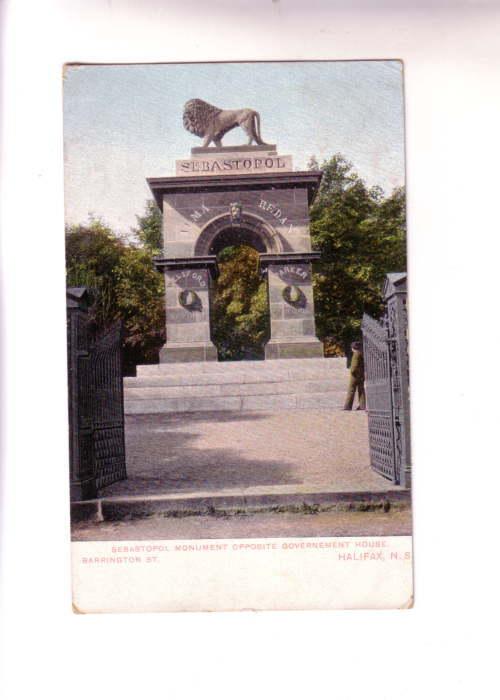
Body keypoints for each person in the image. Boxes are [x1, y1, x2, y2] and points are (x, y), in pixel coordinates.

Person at [343, 340, 366, 411]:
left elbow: (354, 366)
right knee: (361, 390)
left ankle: (348, 406)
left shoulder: (356, 355)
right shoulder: (361, 353)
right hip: (361, 374)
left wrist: (352, 371)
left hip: (355, 375)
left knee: (351, 390)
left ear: (353, 348)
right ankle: (362, 406)